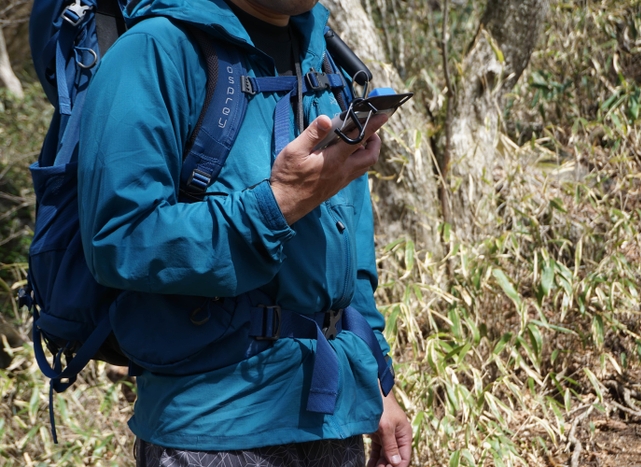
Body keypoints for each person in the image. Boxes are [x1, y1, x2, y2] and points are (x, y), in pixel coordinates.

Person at [77, 0, 412, 466]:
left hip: (334, 413)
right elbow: (119, 239)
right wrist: (279, 204)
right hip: (211, 426)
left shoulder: (323, 59)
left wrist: (375, 378)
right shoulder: (155, 51)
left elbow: (349, 245)